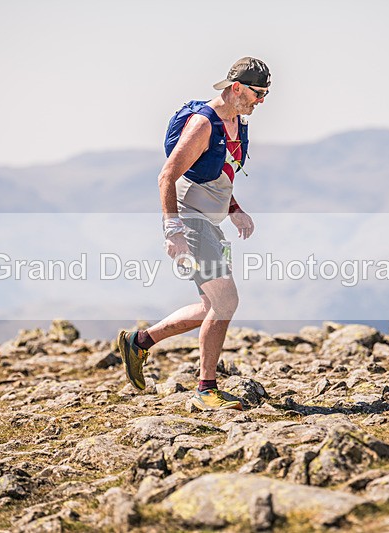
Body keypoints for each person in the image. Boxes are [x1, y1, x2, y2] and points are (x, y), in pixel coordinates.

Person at [117, 57, 271, 411]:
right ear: (236, 88)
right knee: (226, 302)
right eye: (257, 93)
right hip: (191, 220)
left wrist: (234, 209)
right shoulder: (204, 124)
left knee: (209, 305)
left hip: (210, 222)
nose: (261, 100)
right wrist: (172, 230)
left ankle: (140, 342)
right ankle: (205, 389)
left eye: (266, 94)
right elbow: (167, 176)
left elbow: (220, 173)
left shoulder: (237, 123)